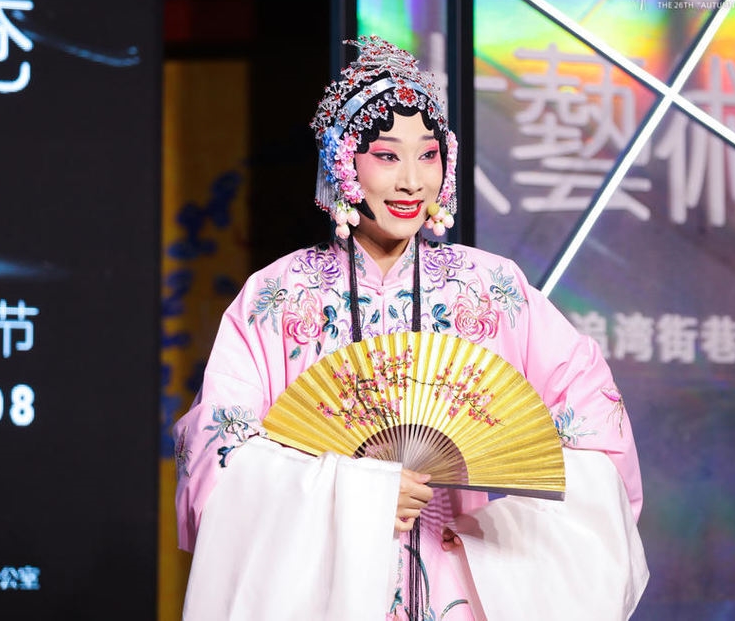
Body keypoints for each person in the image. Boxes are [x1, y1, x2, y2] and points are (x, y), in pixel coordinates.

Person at [172, 35, 649, 620]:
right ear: (343, 161)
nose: (411, 182)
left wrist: (492, 532)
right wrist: (355, 495)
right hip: (328, 594)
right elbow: (217, 462)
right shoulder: (278, 297)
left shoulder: (492, 290)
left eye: (428, 155)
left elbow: (598, 433)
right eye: (387, 155)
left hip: (459, 588)